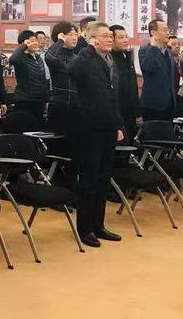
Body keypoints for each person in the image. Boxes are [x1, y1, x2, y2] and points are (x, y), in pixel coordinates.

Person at [69, 21, 124, 248]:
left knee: (103, 178)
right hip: (90, 127)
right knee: (89, 179)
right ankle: (84, 229)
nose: (110, 39)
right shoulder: (85, 58)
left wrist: (118, 125)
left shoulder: (111, 61)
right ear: (93, 39)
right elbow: (71, 70)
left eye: (110, 35)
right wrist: (87, 49)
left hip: (109, 126)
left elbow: (113, 96)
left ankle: (98, 225)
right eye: (104, 36)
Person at [7, 30, 48, 133]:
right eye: (31, 41)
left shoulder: (38, 58)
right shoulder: (21, 58)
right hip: (25, 100)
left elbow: (43, 80)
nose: (35, 43)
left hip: (39, 101)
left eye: (35, 40)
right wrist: (24, 45)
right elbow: (12, 59)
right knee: (25, 130)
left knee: (38, 130)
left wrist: (46, 99)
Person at [44, 21, 80, 136]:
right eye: (70, 35)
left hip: (76, 105)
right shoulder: (54, 55)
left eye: (76, 35)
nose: (74, 38)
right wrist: (60, 41)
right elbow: (50, 58)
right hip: (59, 104)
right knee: (58, 140)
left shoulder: (76, 57)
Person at [138, 19, 176, 122]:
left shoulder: (169, 51)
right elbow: (147, 67)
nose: (168, 33)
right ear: (153, 33)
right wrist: (153, 46)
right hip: (153, 105)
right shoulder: (145, 50)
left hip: (169, 104)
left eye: (168, 30)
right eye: (164, 30)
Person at [110, 25, 141, 143]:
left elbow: (133, 85)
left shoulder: (127, 57)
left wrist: (137, 109)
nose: (125, 40)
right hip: (118, 110)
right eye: (121, 37)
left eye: (126, 37)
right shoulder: (109, 59)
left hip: (130, 111)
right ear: (112, 39)